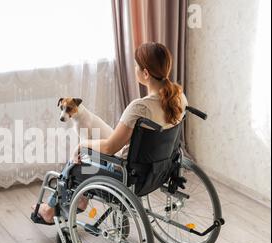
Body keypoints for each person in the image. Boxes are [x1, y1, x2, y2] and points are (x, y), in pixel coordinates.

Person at [32, 42, 188, 225]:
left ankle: (51, 210)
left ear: (145, 73)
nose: (134, 69)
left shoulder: (140, 107)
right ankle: (78, 200)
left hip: (127, 174)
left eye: (136, 66)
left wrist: (81, 145)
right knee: (86, 159)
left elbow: (109, 147)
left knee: (74, 165)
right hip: (159, 171)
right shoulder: (179, 98)